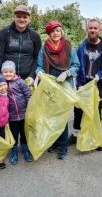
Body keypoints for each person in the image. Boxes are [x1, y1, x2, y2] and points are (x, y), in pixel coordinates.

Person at [35, 20, 80, 159]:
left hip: (65, 83)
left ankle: (63, 146)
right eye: (53, 31)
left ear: (62, 32)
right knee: (51, 115)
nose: (56, 33)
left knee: (62, 116)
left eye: (58, 30)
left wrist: (66, 73)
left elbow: (76, 65)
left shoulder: (69, 47)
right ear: (49, 33)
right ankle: (54, 141)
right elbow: (39, 66)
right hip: (49, 85)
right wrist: (40, 73)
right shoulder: (44, 49)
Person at [68, 19, 102, 150]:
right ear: (87, 30)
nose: (93, 30)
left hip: (98, 84)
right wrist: (78, 80)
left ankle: (96, 137)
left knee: (96, 109)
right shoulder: (82, 46)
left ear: (100, 30)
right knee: (78, 109)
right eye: (90, 28)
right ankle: (76, 134)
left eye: (95, 28)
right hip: (83, 83)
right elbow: (76, 64)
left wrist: (100, 74)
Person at [0, 4, 42, 83]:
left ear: (29, 19)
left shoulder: (35, 36)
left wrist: (32, 76)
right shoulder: (4, 33)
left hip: (28, 80)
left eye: (25, 17)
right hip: (7, 79)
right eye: (19, 16)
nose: (22, 19)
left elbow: (37, 59)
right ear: (14, 17)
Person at [1, 60, 32, 164]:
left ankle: (25, 148)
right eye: (5, 71)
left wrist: (29, 107)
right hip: (11, 115)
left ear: (14, 72)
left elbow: (27, 94)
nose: (8, 74)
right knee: (14, 134)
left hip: (24, 113)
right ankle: (14, 150)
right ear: (2, 72)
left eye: (10, 71)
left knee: (24, 133)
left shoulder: (20, 82)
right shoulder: (2, 84)